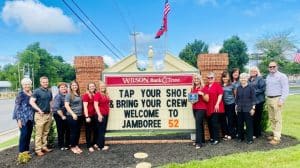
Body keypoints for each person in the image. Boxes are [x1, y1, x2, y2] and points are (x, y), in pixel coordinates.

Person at [266, 61, 289, 145]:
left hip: (277, 99)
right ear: (268, 68)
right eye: (270, 67)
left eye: (273, 66)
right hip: (269, 99)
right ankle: (274, 133)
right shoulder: (268, 76)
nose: (272, 68)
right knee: (272, 118)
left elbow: (285, 89)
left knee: (277, 118)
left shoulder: (282, 76)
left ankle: (277, 137)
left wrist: (281, 100)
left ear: (277, 67)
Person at [30, 76, 53, 156]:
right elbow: (32, 102)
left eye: (46, 82)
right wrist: (39, 110)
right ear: (40, 82)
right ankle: (38, 149)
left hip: (48, 115)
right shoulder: (36, 91)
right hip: (40, 115)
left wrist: (51, 109)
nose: (45, 83)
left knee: (45, 132)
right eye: (44, 82)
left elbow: (50, 101)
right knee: (39, 134)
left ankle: (44, 146)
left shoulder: (49, 91)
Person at [13, 78, 34, 155]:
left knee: (29, 134)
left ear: (30, 85)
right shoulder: (20, 94)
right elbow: (17, 108)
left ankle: (26, 150)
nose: (27, 86)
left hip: (30, 117)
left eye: (28, 84)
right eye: (25, 84)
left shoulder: (32, 93)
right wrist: (18, 120)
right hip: (22, 118)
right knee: (24, 134)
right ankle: (22, 152)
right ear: (22, 85)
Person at [204, 72, 225, 145]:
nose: (210, 79)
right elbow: (203, 95)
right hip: (208, 108)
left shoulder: (217, 85)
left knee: (214, 123)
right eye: (208, 78)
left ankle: (217, 139)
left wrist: (217, 104)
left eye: (211, 78)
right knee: (209, 123)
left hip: (216, 107)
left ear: (214, 78)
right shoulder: (206, 86)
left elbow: (220, 95)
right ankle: (212, 138)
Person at [189, 74, 209, 149]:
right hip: (194, 108)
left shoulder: (204, 88)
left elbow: (207, 99)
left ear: (200, 79)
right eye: (195, 79)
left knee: (198, 125)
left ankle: (199, 143)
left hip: (202, 109)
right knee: (199, 124)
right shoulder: (192, 88)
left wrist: (202, 94)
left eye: (197, 78)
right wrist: (192, 101)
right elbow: (191, 100)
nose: (196, 80)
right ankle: (202, 140)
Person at [236, 73, 256, 144]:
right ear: (240, 79)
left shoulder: (251, 87)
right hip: (240, 109)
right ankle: (240, 137)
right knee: (240, 124)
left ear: (247, 78)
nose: (243, 79)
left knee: (249, 124)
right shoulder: (238, 88)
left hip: (248, 109)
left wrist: (253, 108)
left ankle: (250, 139)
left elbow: (253, 98)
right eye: (241, 78)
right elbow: (237, 99)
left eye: (244, 78)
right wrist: (236, 107)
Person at [65, 81, 83, 154]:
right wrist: (73, 114)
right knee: (73, 132)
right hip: (72, 116)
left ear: (77, 86)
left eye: (76, 85)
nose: (74, 86)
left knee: (78, 131)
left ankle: (76, 145)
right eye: (73, 85)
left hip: (80, 115)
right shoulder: (69, 95)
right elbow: (66, 105)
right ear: (71, 86)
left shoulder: (78, 94)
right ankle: (72, 146)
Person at [248, 66, 266, 139]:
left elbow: (262, 89)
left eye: (254, 71)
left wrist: (253, 92)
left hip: (258, 101)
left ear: (257, 72)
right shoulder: (249, 79)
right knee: (251, 117)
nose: (253, 72)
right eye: (251, 71)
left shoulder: (260, 79)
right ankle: (252, 132)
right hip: (251, 102)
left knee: (257, 118)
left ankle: (257, 133)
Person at [52, 82, 70, 150]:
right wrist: (62, 116)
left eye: (65, 87)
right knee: (61, 130)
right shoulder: (58, 96)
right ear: (59, 89)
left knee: (67, 130)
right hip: (59, 115)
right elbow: (56, 108)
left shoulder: (67, 95)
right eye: (62, 87)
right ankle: (61, 145)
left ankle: (67, 144)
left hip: (66, 115)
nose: (64, 88)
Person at [82, 82, 99, 152]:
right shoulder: (86, 95)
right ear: (88, 88)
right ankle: (89, 145)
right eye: (90, 86)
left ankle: (94, 143)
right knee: (88, 131)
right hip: (88, 115)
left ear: (95, 87)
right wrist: (86, 117)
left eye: (93, 86)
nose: (92, 87)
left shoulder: (96, 95)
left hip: (95, 115)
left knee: (95, 130)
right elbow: (85, 107)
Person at [94, 81, 110, 151]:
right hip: (100, 115)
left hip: (106, 114)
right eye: (101, 86)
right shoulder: (97, 94)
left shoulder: (105, 94)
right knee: (101, 131)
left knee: (101, 130)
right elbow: (95, 105)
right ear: (99, 88)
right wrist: (99, 115)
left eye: (104, 86)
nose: (103, 87)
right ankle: (101, 147)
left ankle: (98, 144)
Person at [221, 71, 237, 140]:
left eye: (226, 77)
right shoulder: (220, 85)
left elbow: (235, 95)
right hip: (223, 104)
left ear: (229, 77)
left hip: (231, 104)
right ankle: (226, 134)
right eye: (224, 77)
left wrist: (236, 104)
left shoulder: (232, 85)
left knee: (230, 119)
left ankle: (232, 134)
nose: (225, 78)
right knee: (224, 120)